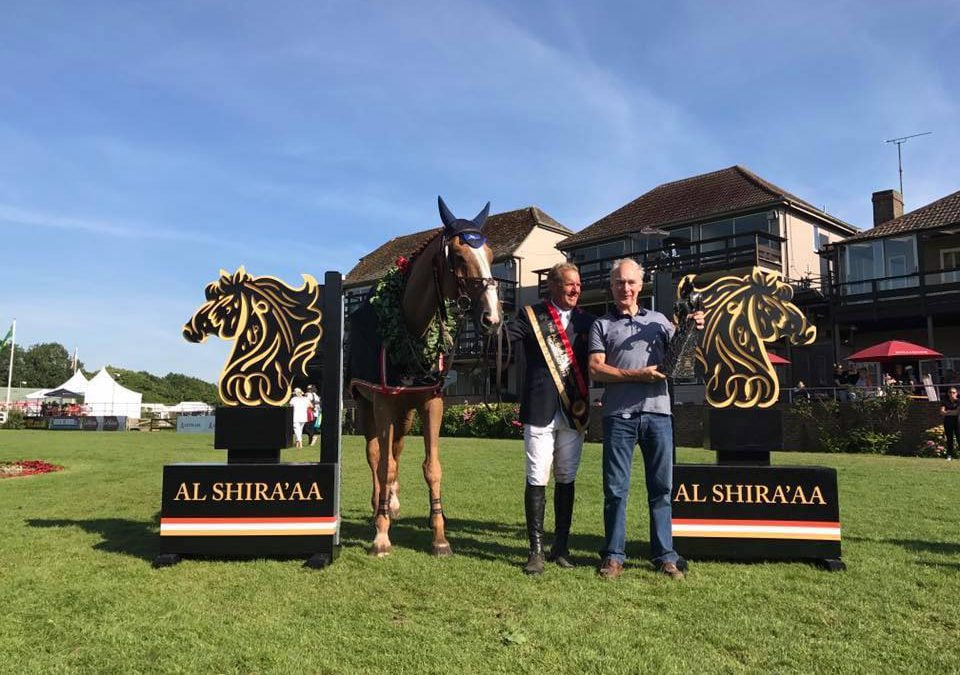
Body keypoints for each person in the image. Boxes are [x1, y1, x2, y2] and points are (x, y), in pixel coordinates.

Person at [588, 258, 704, 581]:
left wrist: (692, 326)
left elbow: (681, 361)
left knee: (662, 488)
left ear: (641, 286)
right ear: (611, 286)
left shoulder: (660, 322)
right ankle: (614, 555)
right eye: (619, 282)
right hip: (618, 417)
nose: (625, 288)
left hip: (658, 414)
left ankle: (665, 555)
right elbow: (596, 369)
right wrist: (638, 374)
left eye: (630, 282)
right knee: (615, 490)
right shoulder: (601, 325)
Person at [506, 262, 594, 574]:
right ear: (554, 286)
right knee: (537, 475)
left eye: (579, 285)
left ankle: (561, 547)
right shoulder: (531, 315)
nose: (576, 290)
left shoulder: (588, 321)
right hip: (539, 408)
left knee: (566, 477)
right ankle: (536, 551)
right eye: (570, 284)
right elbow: (501, 338)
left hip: (574, 409)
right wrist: (488, 318)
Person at [941, 387, 959, 460]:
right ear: (948, 393)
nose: (952, 394)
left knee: (959, 438)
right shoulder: (945, 402)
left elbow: (957, 412)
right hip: (948, 422)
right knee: (949, 439)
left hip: (958, 422)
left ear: (956, 393)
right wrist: (952, 412)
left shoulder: (959, 401)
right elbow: (942, 412)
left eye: (953, 392)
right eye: (950, 392)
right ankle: (949, 455)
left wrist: (947, 412)